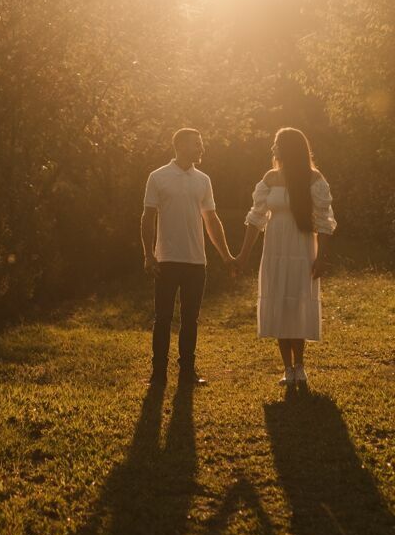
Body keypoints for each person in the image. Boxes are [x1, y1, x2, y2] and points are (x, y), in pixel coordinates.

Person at [232, 127, 337, 388]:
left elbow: (324, 221)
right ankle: (287, 368)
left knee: (297, 301)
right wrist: (243, 255)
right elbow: (255, 219)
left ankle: (300, 366)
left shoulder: (313, 178)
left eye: (277, 144)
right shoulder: (269, 178)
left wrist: (321, 257)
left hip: (301, 247)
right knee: (279, 300)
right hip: (275, 248)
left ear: (288, 147)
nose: (273, 149)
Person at [141, 127, 234, 389]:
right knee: (163, 318)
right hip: (166, 260)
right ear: (180, 145)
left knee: (190, 319)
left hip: (196, 261)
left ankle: (187, 372)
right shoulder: (158, 177)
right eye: (197, 144)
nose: (201, 148)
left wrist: (226, 255)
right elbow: (148, 218)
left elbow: (211, 219)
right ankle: (158, 374)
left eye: (201, 144)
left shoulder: (203, 180)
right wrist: (148, 254)